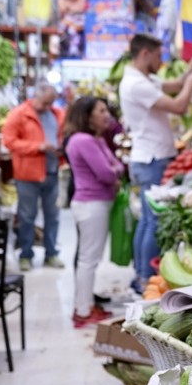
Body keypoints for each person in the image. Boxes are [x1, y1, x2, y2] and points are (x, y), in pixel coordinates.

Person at [119, 34, 192, 293]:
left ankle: (140, 275)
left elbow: (173, 84)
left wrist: (191, 69)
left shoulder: (144, 79)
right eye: (158, 56)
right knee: (154, 221)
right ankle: (146, 278)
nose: (161, 61)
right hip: (152, 159)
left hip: (149, 157)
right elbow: (178, 105)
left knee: (147, 220)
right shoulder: (137, 85)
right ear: (145, 54)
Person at [64, 96, 123, 327]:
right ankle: (83, 311)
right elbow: (107, 173)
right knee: (88, 259)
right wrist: (114, 171)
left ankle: (86, 304)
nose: (107, 115)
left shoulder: (95, 140)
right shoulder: (83, 141)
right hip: (91, 205)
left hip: (97, 204)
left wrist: (114, 170)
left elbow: (115, 165)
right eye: (101, 111)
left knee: (90, 258)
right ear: (88, 116)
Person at [1, 83, 65, 271]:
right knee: (27, 216)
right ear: (35, 97)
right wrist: (37, 147)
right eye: (44, 103)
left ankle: (51, 254)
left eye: (50, 103)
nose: (47, 107)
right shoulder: (19, 114)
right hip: (27, 175)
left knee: (53, 215)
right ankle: (26, 254)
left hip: (52, 171)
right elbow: (9, 141)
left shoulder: (57, 114)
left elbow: (60, 135)